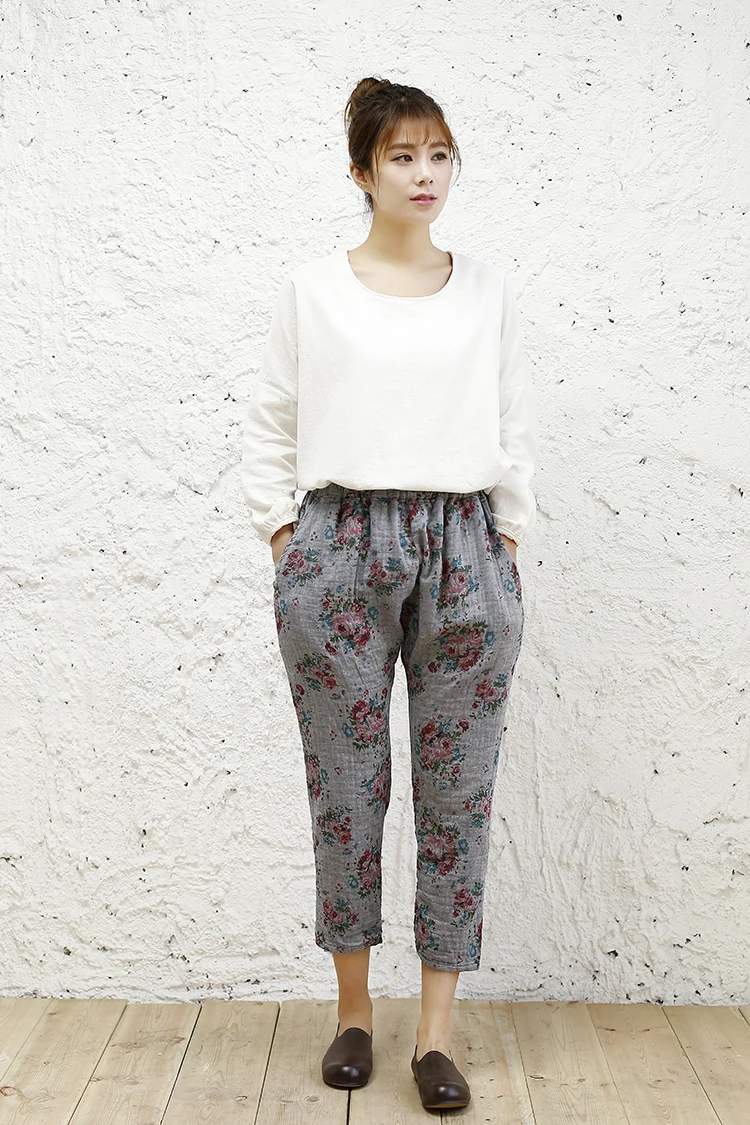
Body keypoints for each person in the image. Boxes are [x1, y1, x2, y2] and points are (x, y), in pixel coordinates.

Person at [240, 76, 538, 1112]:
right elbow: (272, 419)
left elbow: (511, 420)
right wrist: (288, 541)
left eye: (439, 154)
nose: (425, 174)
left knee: (457, 794)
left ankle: (436, 1034)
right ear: (361, 171)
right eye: (403, 156)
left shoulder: (487, 288)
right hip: (338, 544)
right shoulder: (313, 290)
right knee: (346, 786)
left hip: (465, 546)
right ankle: (354, 1011)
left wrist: (505, 543)